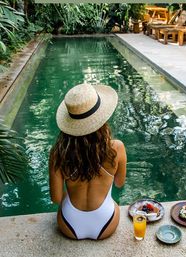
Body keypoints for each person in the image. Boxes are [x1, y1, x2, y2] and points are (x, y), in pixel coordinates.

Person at [49, 83, 127, 240]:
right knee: (114, 204)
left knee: (65, 201)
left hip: (68, 225)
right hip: (106, 222)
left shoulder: (58, 153)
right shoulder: (116, 148)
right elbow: (119, 183)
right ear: (101, 118)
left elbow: (56, 198)